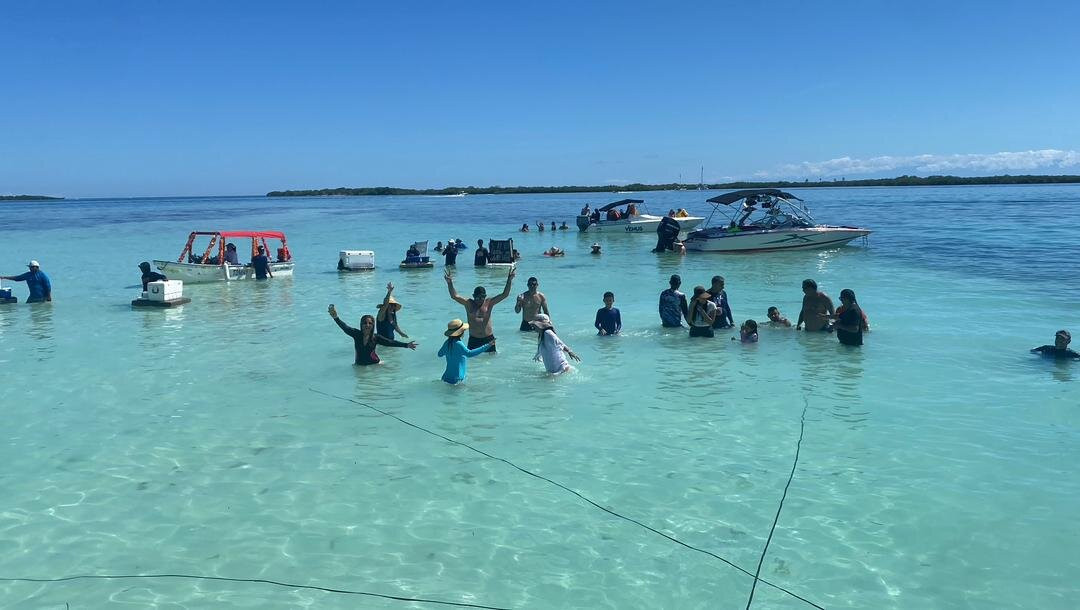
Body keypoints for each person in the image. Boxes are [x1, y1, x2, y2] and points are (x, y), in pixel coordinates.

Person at [445, 267, 515, 351]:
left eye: (482, 297)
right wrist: (449, 283)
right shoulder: (469, 303)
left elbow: (505, 295)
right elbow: (454, 296)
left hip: (488, 339)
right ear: (473, 296)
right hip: (474, 339)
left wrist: (509, 279)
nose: (479, 300)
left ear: (485, 296)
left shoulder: (489, 303)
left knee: (492, 361)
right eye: (477, 298)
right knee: (473, 363)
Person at [328, 305, 417, 365]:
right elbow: (345, 327)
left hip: (375, 365)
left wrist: (406, 345)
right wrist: (335, 317)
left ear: (373, 325)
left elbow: (390, 342)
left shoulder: (376, 337)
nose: (367, 325)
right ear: (361, 324)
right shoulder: (356, 334)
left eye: (370, 323)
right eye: (365, 323)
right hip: (359, 366)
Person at [438, 319, 495, 384]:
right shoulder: (458, 343)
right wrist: (487, 346)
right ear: (461, 332)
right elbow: (469, 354)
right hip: (457, 379)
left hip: (446, 377)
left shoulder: (447, 343)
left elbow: (439, 354)